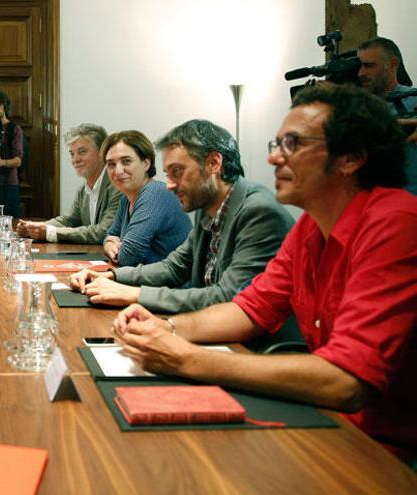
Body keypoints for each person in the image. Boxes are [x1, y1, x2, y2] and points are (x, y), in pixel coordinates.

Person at [111, 84, 417, 461]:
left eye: (293, 144)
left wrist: (187, 358)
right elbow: (247, 308)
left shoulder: (396, 223)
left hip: (384, 451)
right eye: (276, 145)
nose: (274, 159)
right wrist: (166, 329)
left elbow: (346, 382)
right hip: (326, 422)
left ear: (351, 157)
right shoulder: (310, 227)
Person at [70, 120, 293, 313]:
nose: (169, 185)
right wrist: (111, 276)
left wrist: (135, 294)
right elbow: (173, 267)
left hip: (260, 351)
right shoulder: (208, 210)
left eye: (178, 172)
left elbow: (227, 297)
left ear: (214, 163)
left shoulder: (258, 212)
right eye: (168, 174)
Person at [16, 123, 121, 244]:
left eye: (82, 152)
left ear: (102, 153)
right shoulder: (83, 190)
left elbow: (104, 232)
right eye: (72, 153)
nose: (75, 159)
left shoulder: (117, 186)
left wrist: (49, 232)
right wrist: (36, 227)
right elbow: (69, 220)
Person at [100, 130, 191, 267]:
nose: (118, 171)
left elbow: (129, 257)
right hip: (143, 283)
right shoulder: (127, 197)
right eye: (111, 164)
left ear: (146, 164)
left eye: (126, 161)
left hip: (172, 287)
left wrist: (116, 245)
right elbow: (110, 234)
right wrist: (108, 244)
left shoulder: (155, 193)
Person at [358, 37, 417, 194]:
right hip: (371, 207)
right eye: (360, 66)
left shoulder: (413, 100)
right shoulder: (354, 109)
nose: (361, 73)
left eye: (369, 66)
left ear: (393, 64)